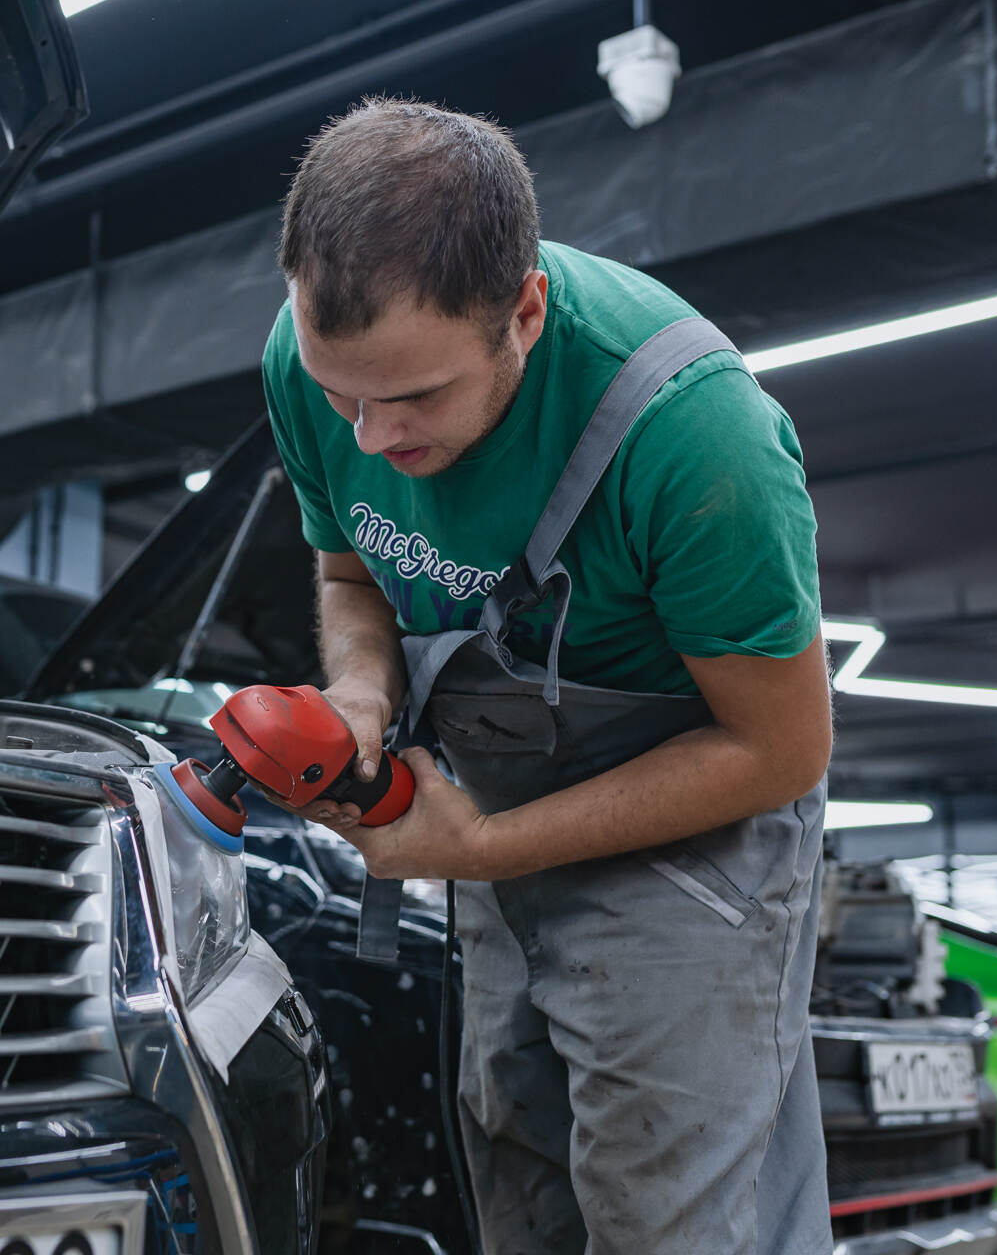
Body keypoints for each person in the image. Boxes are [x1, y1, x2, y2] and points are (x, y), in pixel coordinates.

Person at [260, 97, 834, 1254]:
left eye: (415, 397)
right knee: (525, 1188)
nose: (369, 437)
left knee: (665, 1216)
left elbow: (778, 748)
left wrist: (478, 846)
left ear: (524, 311)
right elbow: (348, 573)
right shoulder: (311, 360)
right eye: (341, 394)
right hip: (495, 822)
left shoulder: (696, 434)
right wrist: (364, 694)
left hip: (692, 841)